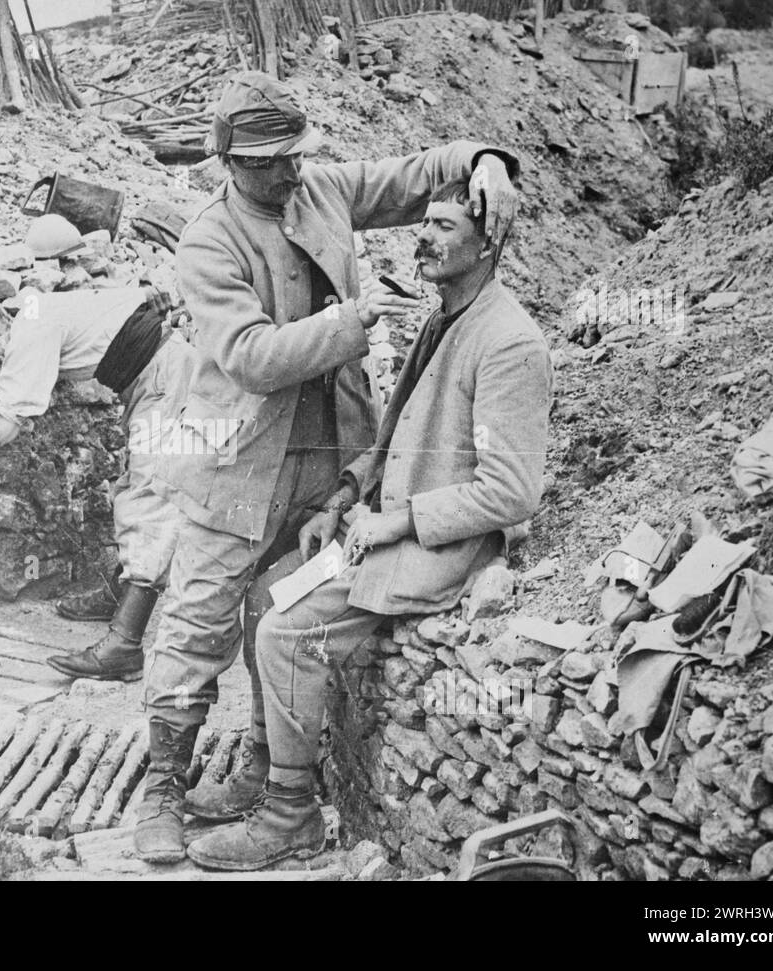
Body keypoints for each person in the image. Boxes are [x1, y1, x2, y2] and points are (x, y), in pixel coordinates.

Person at [132, 70, 522, 863]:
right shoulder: (210, 239)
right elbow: (248, 356)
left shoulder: (323, 190)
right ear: (229, 163)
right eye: (268, 161)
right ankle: (163, 787)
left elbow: (416, 177)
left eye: (294, 155)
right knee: (198, 623)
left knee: (278, 613)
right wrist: (352, 321)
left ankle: (262, 769)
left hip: (332, 455)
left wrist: (485, 158)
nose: (287, 172)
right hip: (241, 465)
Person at [184, 177, 553, 870]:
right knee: (265, 592)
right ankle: (270, 766)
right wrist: (342, 498)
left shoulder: (510, 343)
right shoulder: (448, 315)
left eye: (445, 226)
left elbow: (512, 492)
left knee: (290, 634)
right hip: (386, 526)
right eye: (427, 221)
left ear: (488, 243)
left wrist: (398, 522)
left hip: (436, 548)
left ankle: (290, 815)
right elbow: (394, 436)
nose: (425, 235)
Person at [0, 263, 197, 682]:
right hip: (157, 371)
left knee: (149, 500)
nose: (0, 393)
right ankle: (118, 594)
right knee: (132, 485)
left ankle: (124, 645)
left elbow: (5, 430)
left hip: (164, 376)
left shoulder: (27, 338)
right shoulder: (33, 316)